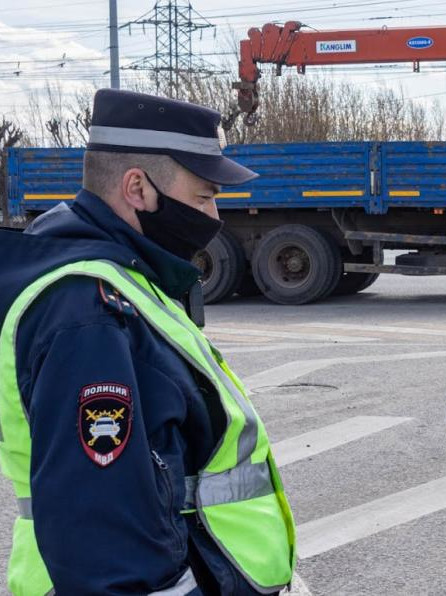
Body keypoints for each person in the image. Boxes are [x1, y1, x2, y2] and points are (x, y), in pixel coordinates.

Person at [0, 89, 296, 595]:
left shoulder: (124, 276)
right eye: (203, 195)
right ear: (137, 188)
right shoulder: (85, 309)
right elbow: (102, 528)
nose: (215, 216)